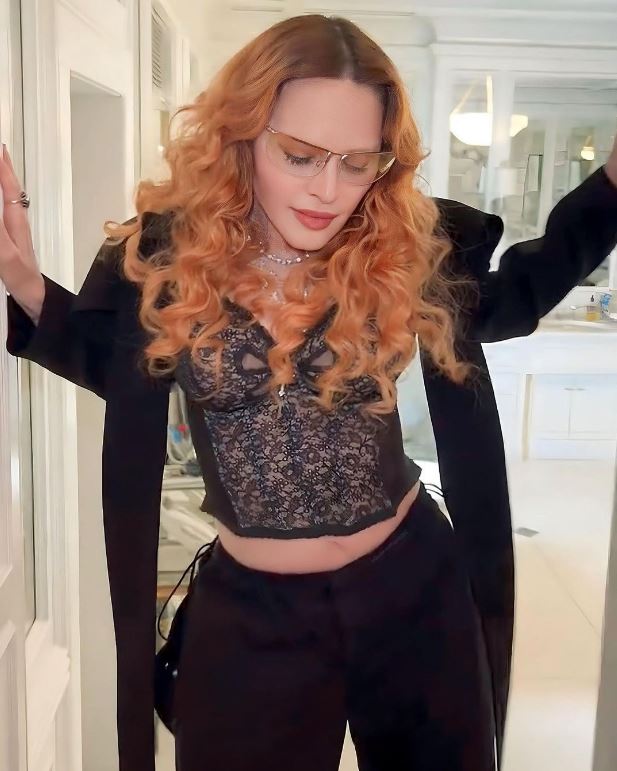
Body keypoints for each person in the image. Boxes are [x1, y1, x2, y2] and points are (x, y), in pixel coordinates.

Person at [2, 13, 617, 771]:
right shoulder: (169, 259)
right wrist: (26, 285)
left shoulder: (399, 251)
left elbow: (518, 295)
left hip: (413, 586)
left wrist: (610, 188)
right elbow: (119, 372)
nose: (328, 190)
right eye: (299, 155)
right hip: (252, 619)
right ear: (241, 135)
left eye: (358, 162)